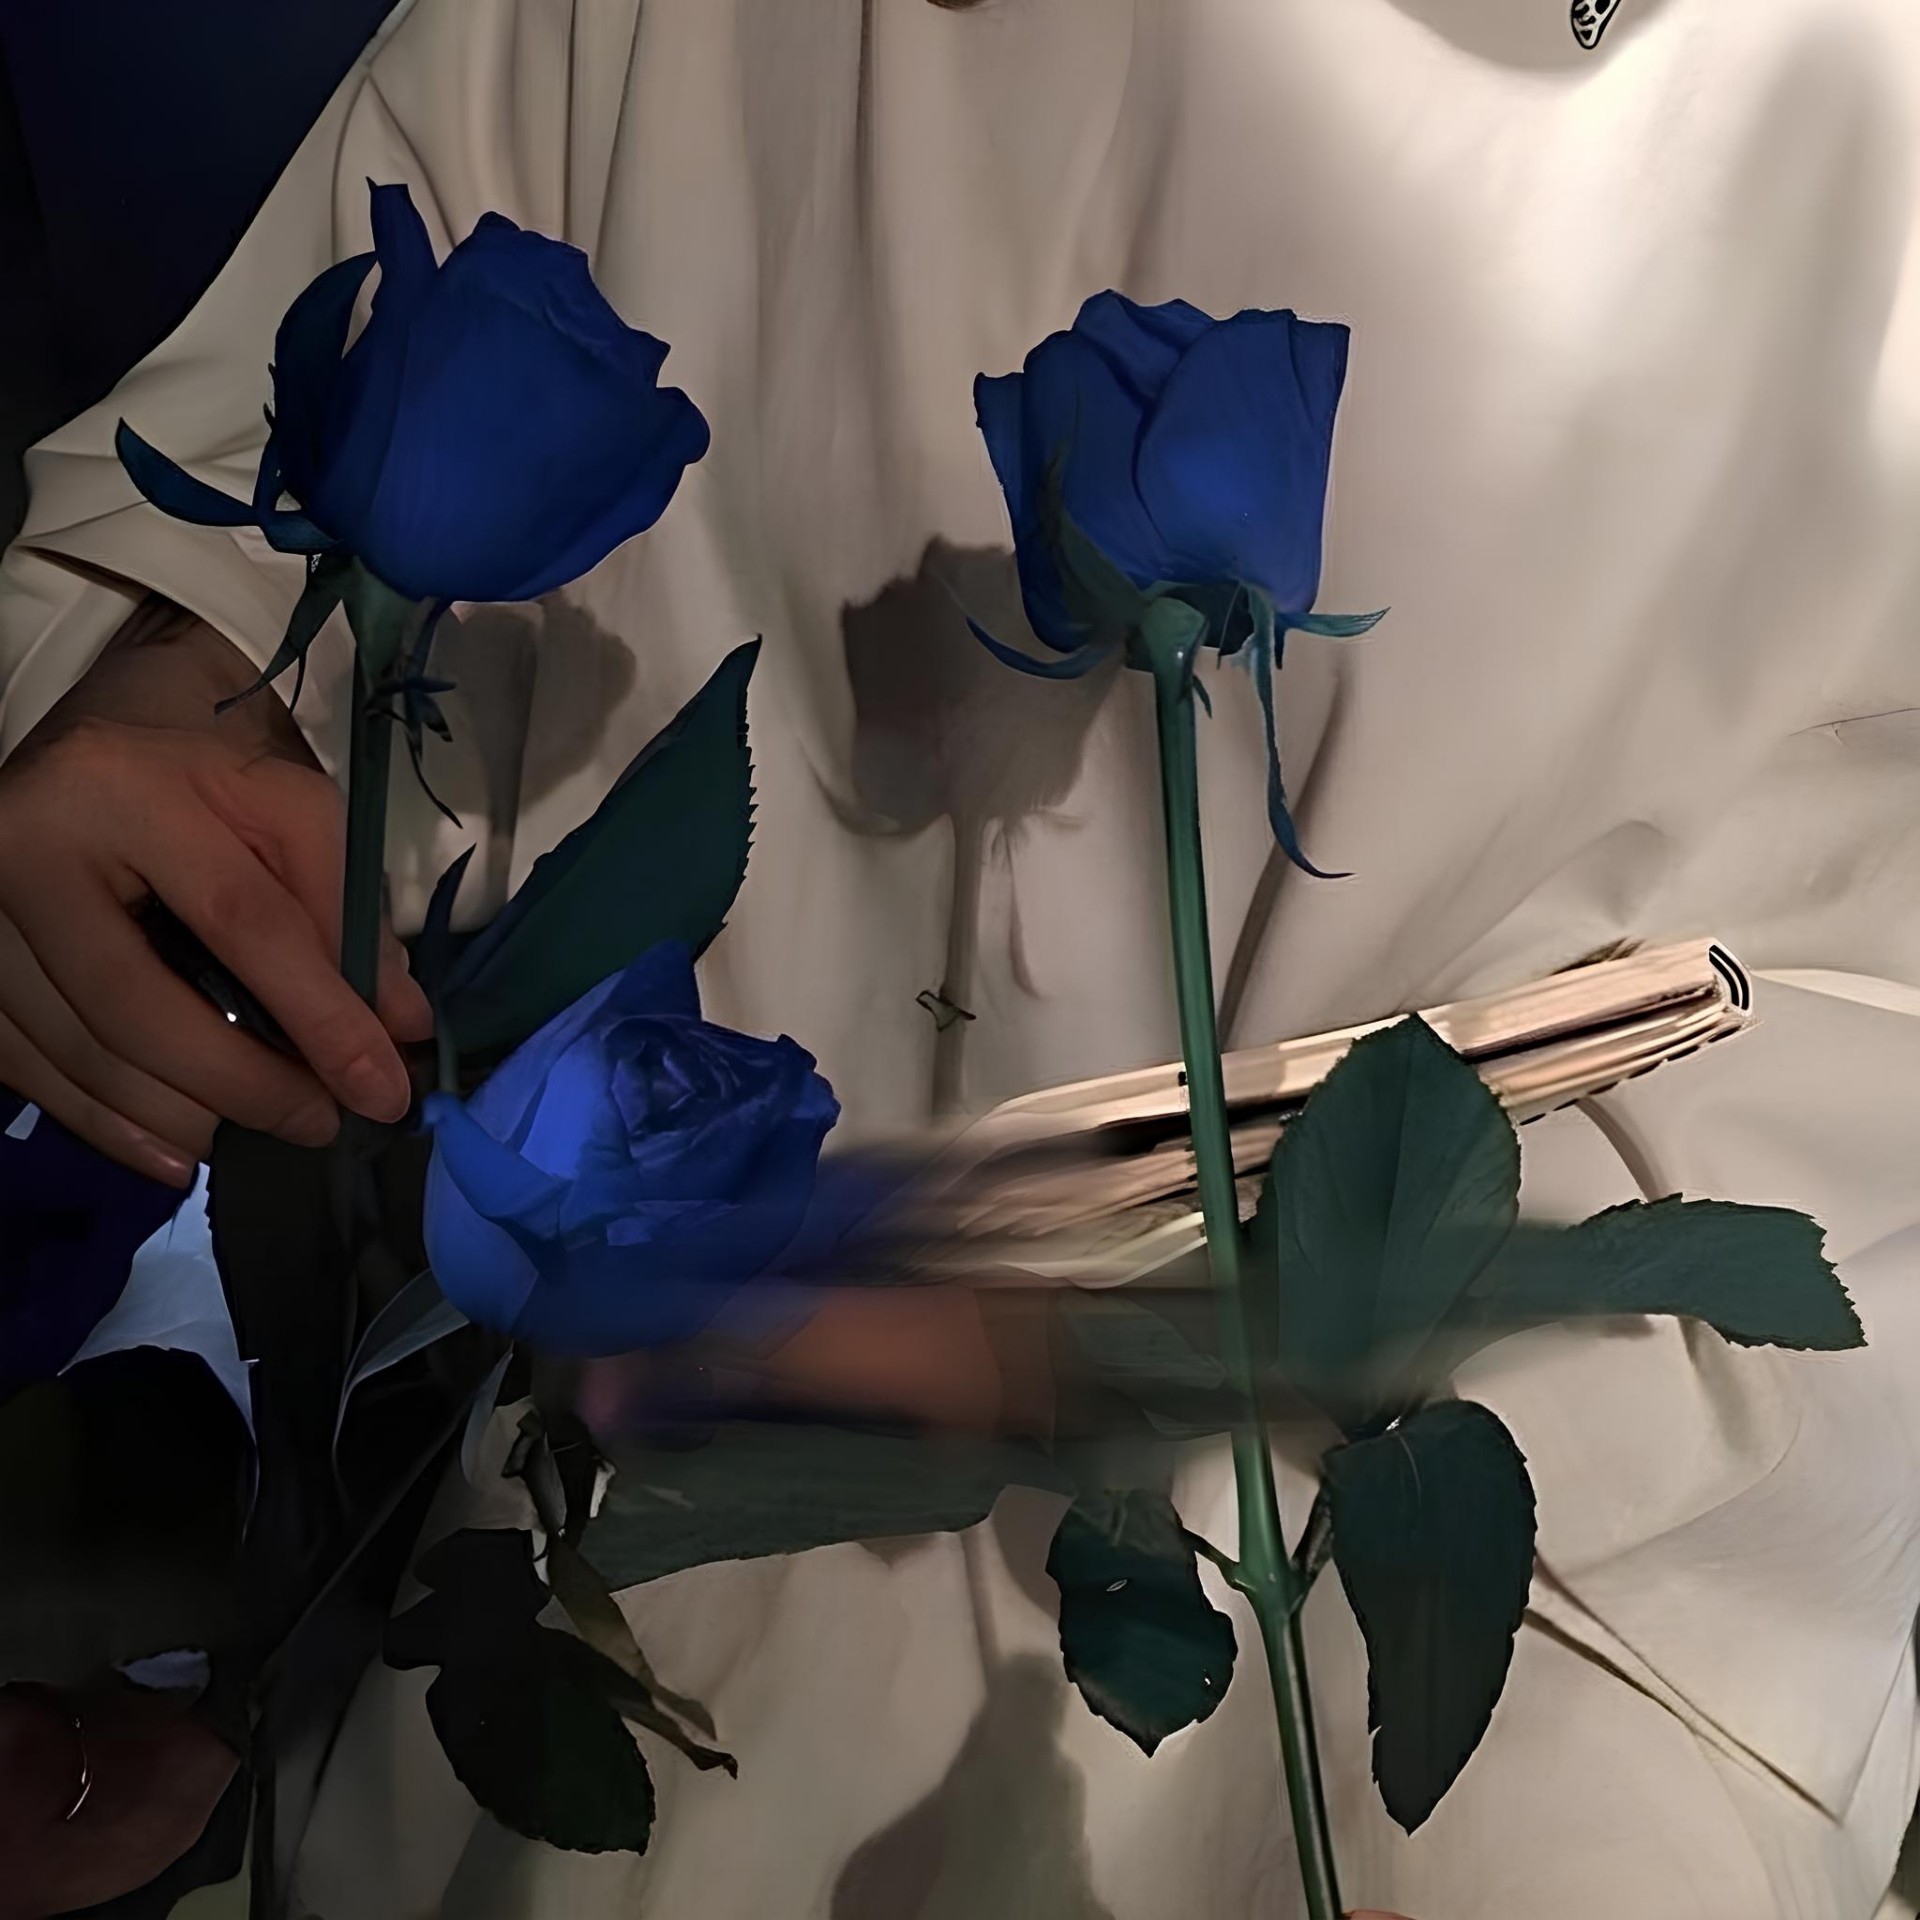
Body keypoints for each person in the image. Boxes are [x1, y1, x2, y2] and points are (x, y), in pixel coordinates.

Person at [3, 0, 1920, 1913]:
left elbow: (1849, 1051)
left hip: (1463, 1584)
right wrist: (182, 670)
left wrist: (1173, 1346)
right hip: (620, 1474)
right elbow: (342, 373)